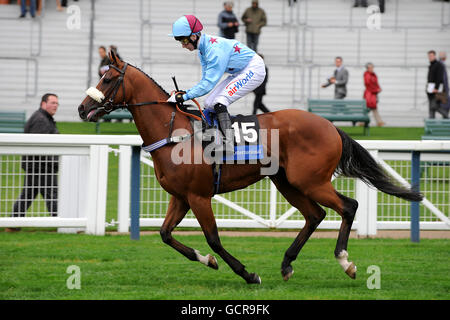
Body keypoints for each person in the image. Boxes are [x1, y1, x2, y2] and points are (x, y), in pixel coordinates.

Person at [167, 15, 266, 152]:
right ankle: (214, 137)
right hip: (240, 70)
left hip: (254, 68)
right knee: (209, 103)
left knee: (220, 101)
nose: (183, 45)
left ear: (194, 37)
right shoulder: (203, 50)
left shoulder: (214, 51)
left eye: (184, 40)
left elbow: (208, 84)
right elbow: (205, 80)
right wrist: (185, 94)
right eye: (179, 41)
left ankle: (229, 143)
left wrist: (184, 96)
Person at [8, 93, 60, 232]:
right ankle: (64, 225)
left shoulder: (43, 118)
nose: (55, 106)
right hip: (41, 167)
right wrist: (53, 164)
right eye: (53, 102)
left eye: (57, 103)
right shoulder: (41, 120)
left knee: (28, 196)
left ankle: (13, 225)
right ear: (43, 104)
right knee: (52, 195)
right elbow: (39, 147)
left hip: (37, 166)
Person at [426, 50, 448, 119]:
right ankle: (431, 125)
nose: (430, 57)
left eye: (431, 56)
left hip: (438, 90)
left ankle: (446, 116)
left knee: (434, 106)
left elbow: (439, 78)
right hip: (431, 89)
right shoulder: (431, 65)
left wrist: (436, 88)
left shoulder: (439, 65)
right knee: (431, 108)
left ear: (435, 56)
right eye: (429, 56)